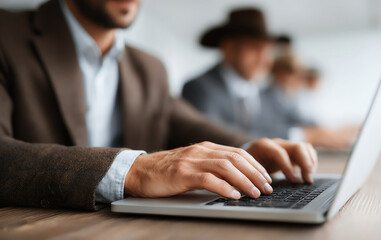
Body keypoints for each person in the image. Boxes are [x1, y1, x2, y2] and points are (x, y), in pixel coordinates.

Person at [0, 0, 317, 211]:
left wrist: (248, 150)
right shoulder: (6, 34)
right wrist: (135, 171)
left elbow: (186, 121)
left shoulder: (149, 67)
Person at [182, 8, 280, 136]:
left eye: (267, 51)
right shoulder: (199, 89)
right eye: (254, 48)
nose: (264, 60)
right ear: (228, 48)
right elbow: (212, 139)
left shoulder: (264, 93)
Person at [262, 55, 359, 149]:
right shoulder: (271, 96)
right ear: (278, 73)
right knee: (321, 135)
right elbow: (275, 128)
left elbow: (307, 120)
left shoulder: (287, 95)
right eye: (293, 74)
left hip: (293, 136)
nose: (296, 79)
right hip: (282, 138)